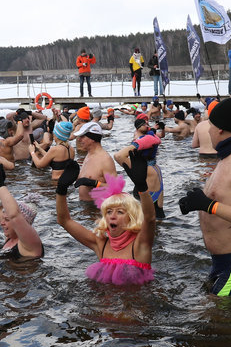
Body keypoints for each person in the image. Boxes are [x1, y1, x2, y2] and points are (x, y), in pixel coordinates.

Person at [178, 97, 231, 296]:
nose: (207, 131)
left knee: (220, 322)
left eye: (210, 125)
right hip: (225, 261)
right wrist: (197, 202)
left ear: (220, 129)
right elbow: (223, 199)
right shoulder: (228, 157)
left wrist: (209, 206)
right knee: (210, 319)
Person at [56, 150, 155, 285]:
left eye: (120, 212)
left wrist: (142, 187)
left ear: (131, 217)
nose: (112, 216)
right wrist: (61, 190)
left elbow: (149, 218)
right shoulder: (100, 244)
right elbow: (64, 221)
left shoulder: (140, 244)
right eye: (108, 212)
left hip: (135, 304)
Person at [0, 167, 43, 260]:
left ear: (22, 222)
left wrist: (1, 185)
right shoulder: (12, 236)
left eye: (6, 219)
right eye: (4, 218)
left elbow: (14, 215)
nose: (2, 222)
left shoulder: (30, 242)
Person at [115, 120, 164, 218]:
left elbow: (118, 156)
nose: (147, 126)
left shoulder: (146, 170)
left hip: (150, 217)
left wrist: (135, 146)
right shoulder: (155, 167)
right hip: (157, 215)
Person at [73, 121, 116, 201]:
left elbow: (115, 188)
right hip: (84, 208)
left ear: (92, 138)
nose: (79, 139)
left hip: (97, 210)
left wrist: (95, 183)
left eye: (82, 136)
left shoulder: (105, 159)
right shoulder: (89, 155)